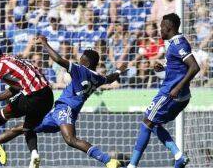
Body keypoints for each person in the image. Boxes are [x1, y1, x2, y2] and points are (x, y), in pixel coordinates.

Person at [18, 35, 125, 168]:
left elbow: (57, 59)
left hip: (65, 108)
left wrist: (45, 43)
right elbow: (111, 78)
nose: (79, 59)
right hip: (59, 110)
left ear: (85, 61)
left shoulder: (80, 69)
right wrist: (120, 70)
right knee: (25, 128)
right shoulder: (99, 78)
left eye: (82, 57)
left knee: (70, 139)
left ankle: (108, 160)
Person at [126, 13, 200, 168]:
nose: (160, 31)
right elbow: (180, 66)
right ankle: (178, 156)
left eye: (161, 27)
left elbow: (194, 67)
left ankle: (132, 165)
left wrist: (177, 87)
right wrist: (164, 67)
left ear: (168, 27)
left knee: (147, 122)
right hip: (182, 96)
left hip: (170, 93)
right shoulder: (175, 43)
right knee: (154, 123)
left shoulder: (179, 44)